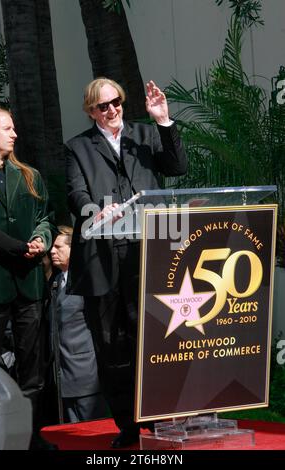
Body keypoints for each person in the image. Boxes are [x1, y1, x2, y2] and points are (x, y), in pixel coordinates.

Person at [65, 78, 187, 448]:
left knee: (152, 337)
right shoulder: (78, 147)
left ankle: (161, 415)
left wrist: (164, 121)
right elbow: (75, 194)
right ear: (91, 111)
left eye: (116, 102)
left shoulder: (144, 135)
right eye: (103, 106)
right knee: (113, 345)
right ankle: (129, 425)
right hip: (104, 258)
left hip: (147, 252)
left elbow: (177, 166)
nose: (112, 110)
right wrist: (99, 212)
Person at [0, 106, 54, 449]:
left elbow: (45, 216)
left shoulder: (30, 175)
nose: (14, 134)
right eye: (7, 128)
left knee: (33, 370)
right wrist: (18, 247)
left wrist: (42, 239)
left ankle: (30, 437)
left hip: (29, 283)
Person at [49, 225, 108, 423]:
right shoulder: (56, 281)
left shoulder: (87, 280)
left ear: (73, 249)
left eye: (58, 247)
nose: (52, 251)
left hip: (86, 375)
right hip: (62, 376)